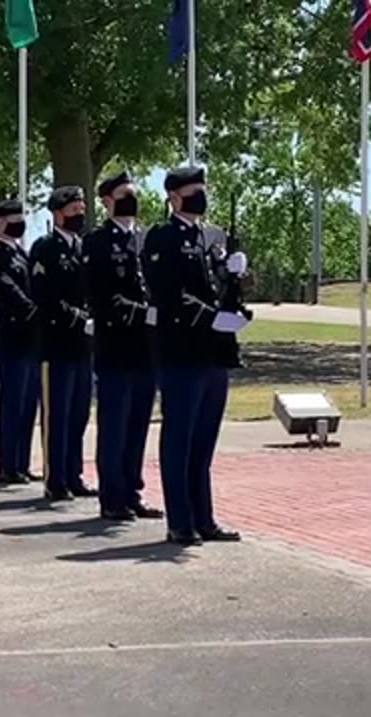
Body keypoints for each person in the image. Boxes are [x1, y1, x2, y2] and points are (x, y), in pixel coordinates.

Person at [141, 166, 247, 546]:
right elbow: (169, 294)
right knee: (180, 439)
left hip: (214, 354)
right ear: (173, 197)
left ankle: (204, 518)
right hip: (181, 351)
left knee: (203, 442)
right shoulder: (161, 237)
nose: (199, 196)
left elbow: (218, 286)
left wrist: (233, 273)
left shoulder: (211, 235)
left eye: (202, 189)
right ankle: (180, 520)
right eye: (192, 191)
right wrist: (211, 318)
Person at [82, 170, 163, 521]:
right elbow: (101, 296)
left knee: (138, 424)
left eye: (133, 193)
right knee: (114, 425)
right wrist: (140, 312)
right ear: (107, 201)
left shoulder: (145, 239)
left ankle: (132, 491)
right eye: (124, 194)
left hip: (145, 348)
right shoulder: (98, 242)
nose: (131, 200)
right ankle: (112, 496)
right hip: (115, 344)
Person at [29, 186, 98, 501]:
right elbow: (45, 295)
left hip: (82, 345)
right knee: (56, 414)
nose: (79, 215)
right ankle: (55, 478)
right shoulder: (45, 248)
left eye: (82, 210)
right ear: (58, 214)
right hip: (57, 342)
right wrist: (75, 316)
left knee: (78, 413)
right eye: (73, 211)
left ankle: (74, 474)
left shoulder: (83, 247)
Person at [0, 198, 41, 484]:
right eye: (14, 218)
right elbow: (4, 288)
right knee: (13, 402)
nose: (20, 222)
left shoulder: (24, 254)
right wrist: (30, 308)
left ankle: (22, 462)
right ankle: (8, 464)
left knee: (29, 403)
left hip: (31, 338)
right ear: (1, 222)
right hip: (13, 335)